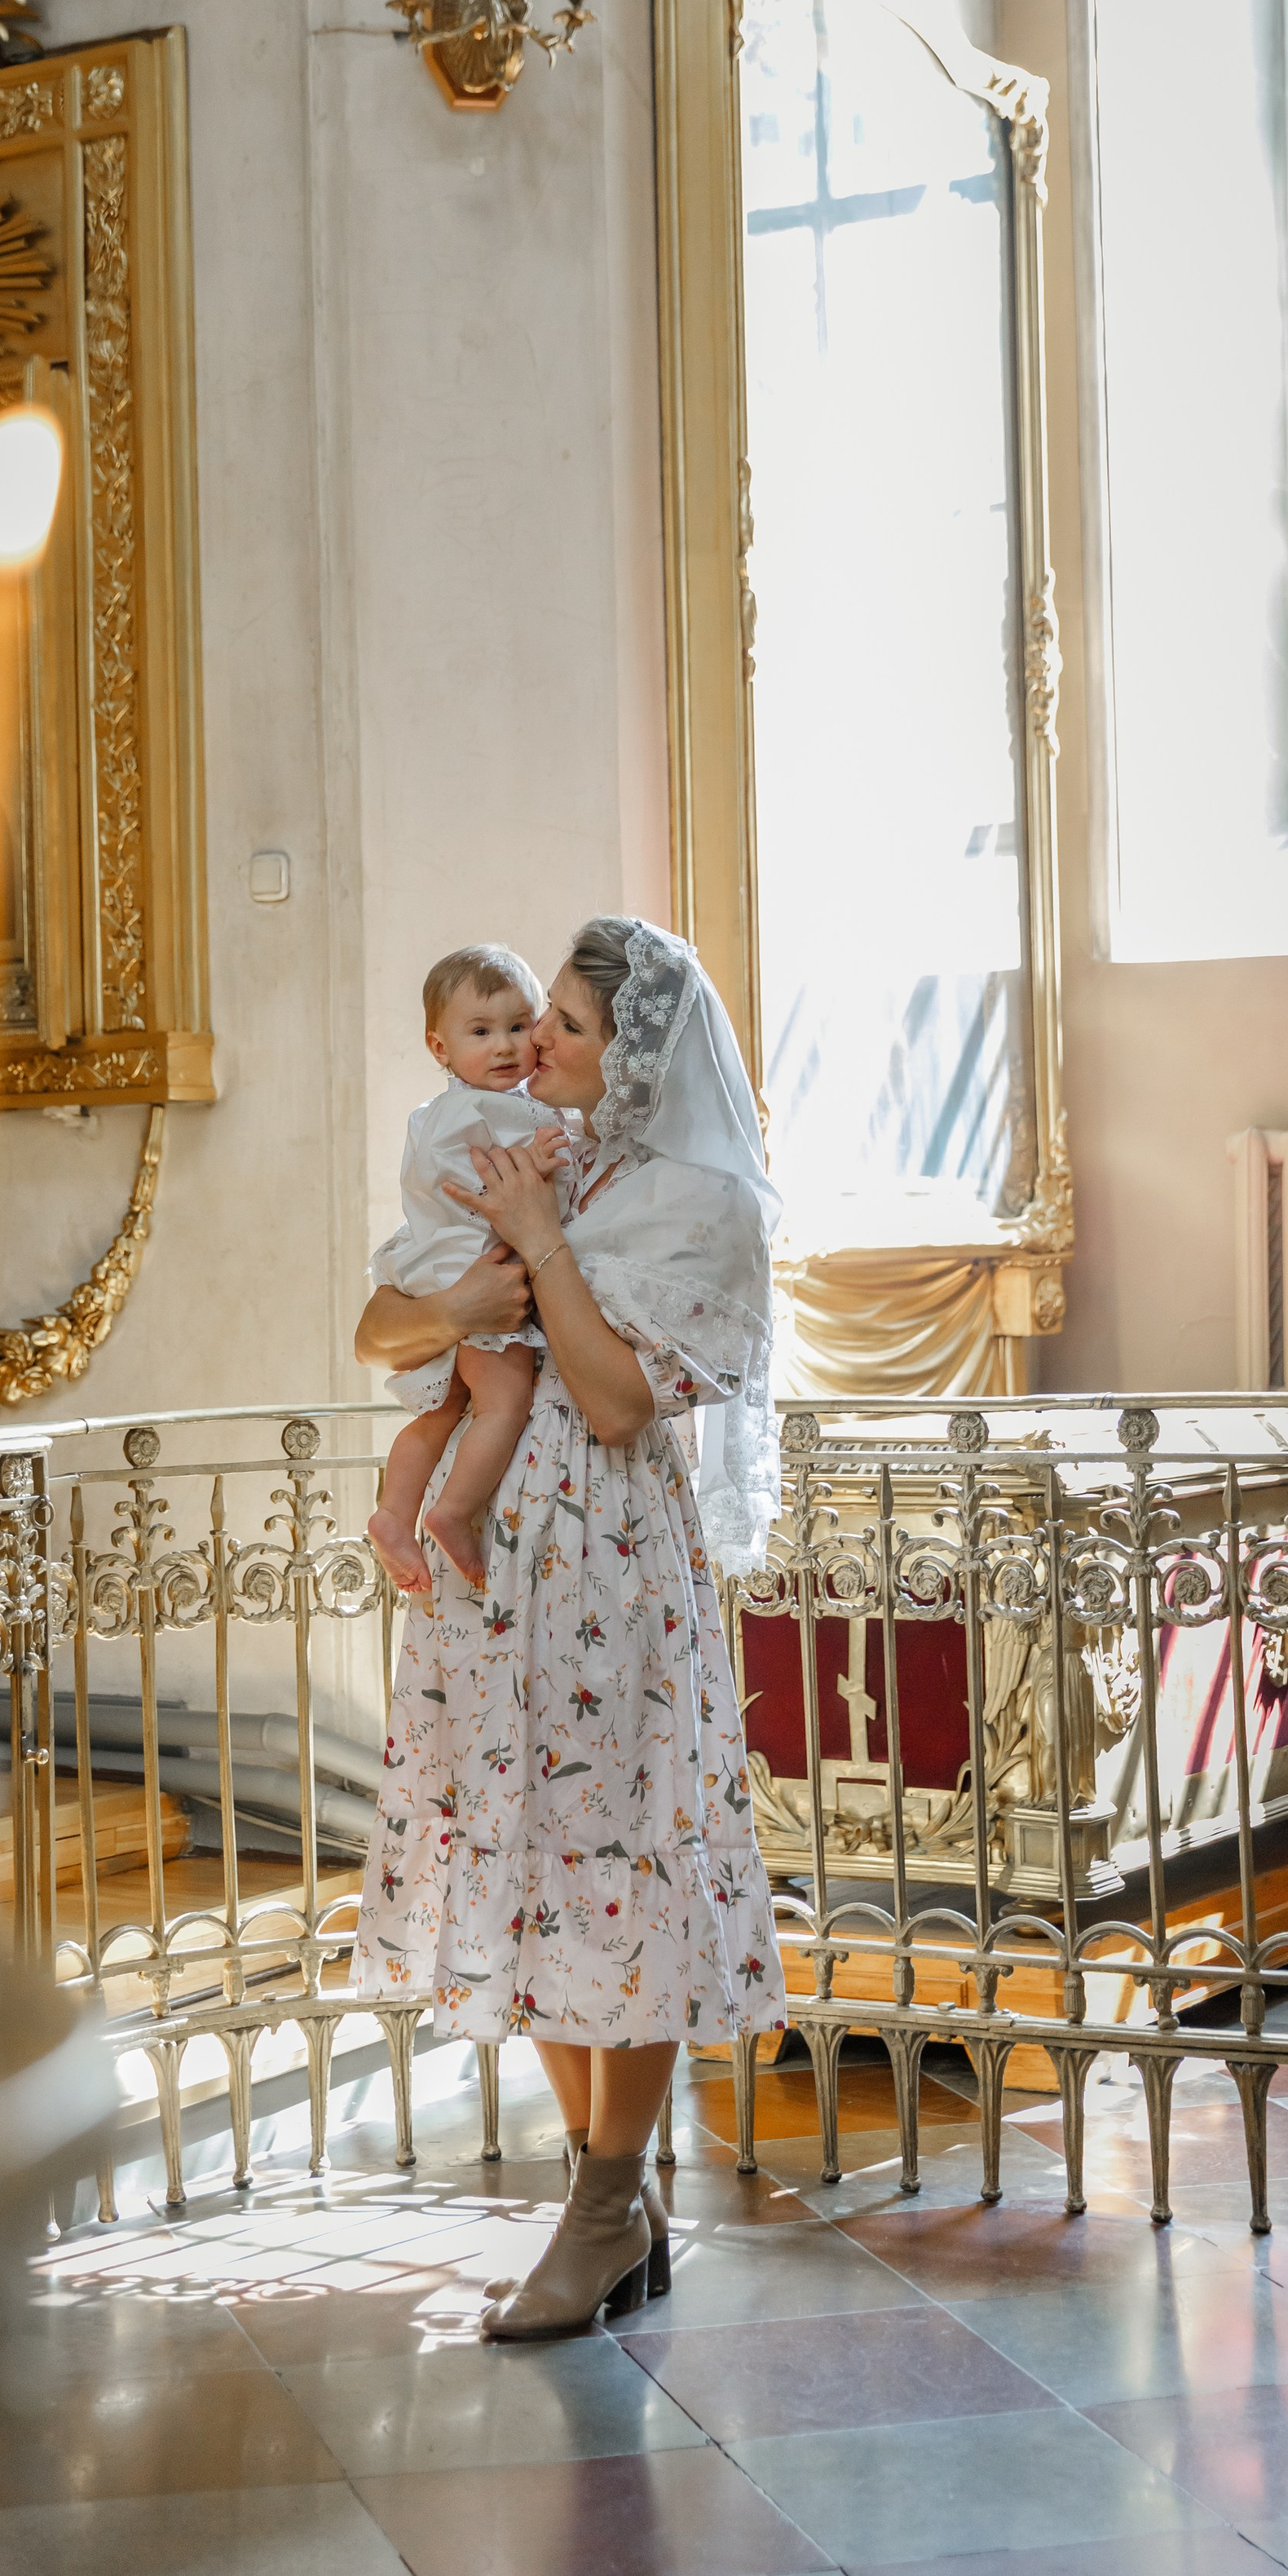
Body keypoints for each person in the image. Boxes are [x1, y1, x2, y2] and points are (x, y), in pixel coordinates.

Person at [351, 917, 787, 2340]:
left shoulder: (698, 1203)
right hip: (492, 1587)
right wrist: (471, 1293)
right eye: (540, 1021)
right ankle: (613, 2198)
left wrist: (535, 1247)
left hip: (612, 1580)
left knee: (624, 1862)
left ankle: (605, 2201)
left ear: (640, 1052)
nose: (540, 1043)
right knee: (529, 1856)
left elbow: (610, 1401)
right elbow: (377, 1328)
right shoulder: (530, 1147)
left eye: (573, 1028)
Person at [366, 945, 573, 1596]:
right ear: (440, 1046)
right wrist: (538, 1162)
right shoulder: (486, 1110)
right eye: (481, 1032)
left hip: (441, 1266)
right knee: (504, 1403)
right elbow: (479, 1186)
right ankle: (451, 1512)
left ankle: (393, 1514)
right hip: (474, 1268)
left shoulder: (445, 1109)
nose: (506, 1046)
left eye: (519, 1026)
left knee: (446, 1407)